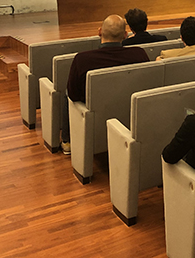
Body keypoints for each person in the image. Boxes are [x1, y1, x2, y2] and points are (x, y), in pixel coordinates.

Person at [63, 15, 149, 154]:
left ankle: (67, 142)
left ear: (99, 32)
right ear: (126, 35)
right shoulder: (139, 54)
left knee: (67, 93)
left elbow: (73, 95)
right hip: (130, 111)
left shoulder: (83, 59)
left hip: (95, 117)